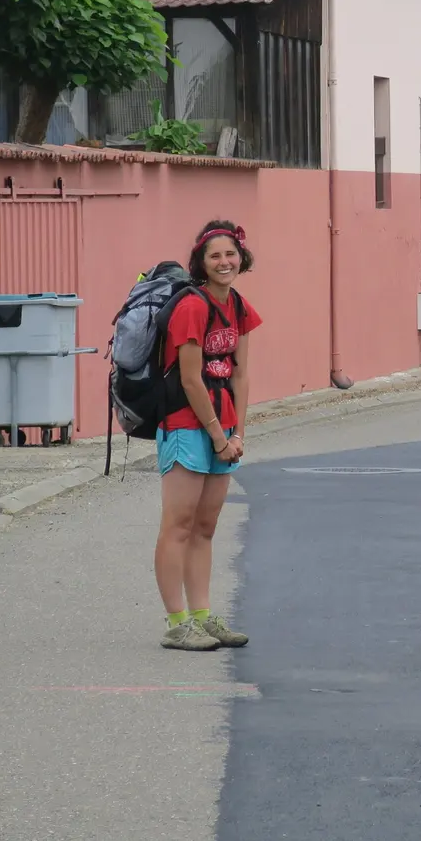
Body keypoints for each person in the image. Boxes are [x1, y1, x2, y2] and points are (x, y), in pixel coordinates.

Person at [155, 220, 262, 651]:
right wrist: (220, 436)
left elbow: (241, 372)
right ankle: (177, 622)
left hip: (223, 427)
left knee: (205, 526)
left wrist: (239, 433)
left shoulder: (238, 306)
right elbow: (190, 379)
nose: (224, 262)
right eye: (215, 255)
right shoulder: (192, 307)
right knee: (177, 526)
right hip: (185, 424)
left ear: (242, 258)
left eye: (230, 254)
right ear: (200, 262)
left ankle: (202, 615)